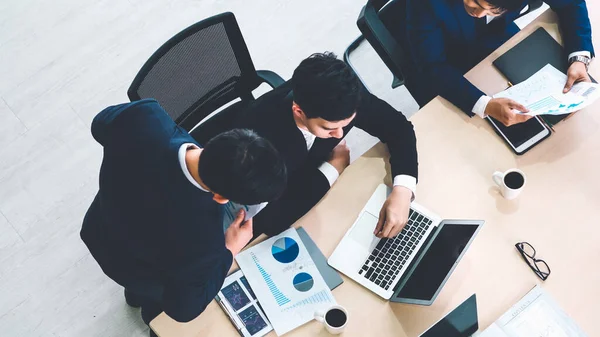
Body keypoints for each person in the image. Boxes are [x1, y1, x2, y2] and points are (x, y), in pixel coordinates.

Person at [80, 99, 287, 335]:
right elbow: (183, 309)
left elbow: (100, 124)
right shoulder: (204, 241)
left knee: (135, 279)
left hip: (101, 226)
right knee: (148, 293)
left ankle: (133, 295)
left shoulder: (146, 116)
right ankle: (142, 304)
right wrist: (230, 249)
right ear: (220, 197)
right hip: (144, 273)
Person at [193, 52, 419, 240]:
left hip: (298, 175)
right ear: (299, 111)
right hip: (232, 200)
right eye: (329, 129)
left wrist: (402, 191)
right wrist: (333, 169)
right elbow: (271, 219)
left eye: (347, 124)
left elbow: (399, 128)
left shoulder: (344, 100)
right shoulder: (262, 147)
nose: (339, 135)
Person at [406, 0, 594, 126]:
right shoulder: (424, 4)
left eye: (493, 9)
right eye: (476, 2)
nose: (479, 14)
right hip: (451, 65)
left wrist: (579, 57)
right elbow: (432, 66)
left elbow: (571, 3)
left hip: (502, 43)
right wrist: (484, 105)